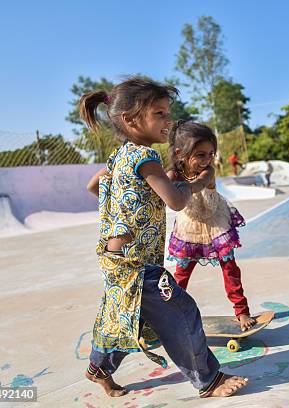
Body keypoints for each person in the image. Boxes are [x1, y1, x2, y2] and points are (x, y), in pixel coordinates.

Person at [80, 77, 248, 399]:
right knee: (182, 312)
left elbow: (93, 187)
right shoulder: (146, 157)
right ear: (130, 120)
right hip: (139, 262)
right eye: (159, 113)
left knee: (128, 315)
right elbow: (176, 201)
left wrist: (132, 200)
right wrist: (199, 182)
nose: (167, 121)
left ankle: (99, 367)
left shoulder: (119, 157)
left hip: (114, 258)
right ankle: (209, 379)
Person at [166, 121, 257, 331]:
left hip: (215, 222)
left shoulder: (208, 172)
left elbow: (198, 185)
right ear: (180, 154)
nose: (207, 160)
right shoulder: (172, 174)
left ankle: (242, 311)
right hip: (190, 227)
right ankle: (171, 315)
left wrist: (181, 186)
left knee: (230, 268)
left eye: (211, 154)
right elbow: (160, 186)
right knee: (181, 274)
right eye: (201, 155)